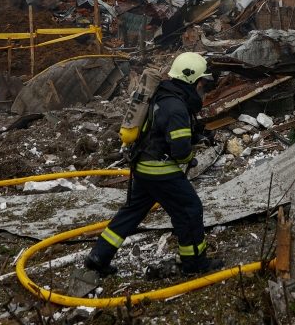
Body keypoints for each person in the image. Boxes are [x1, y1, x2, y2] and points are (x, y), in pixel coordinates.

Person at [85, 52, 223, 277]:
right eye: (203, 84)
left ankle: (99, 256)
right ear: (193, 80)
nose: (203, 90)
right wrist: (190, 157)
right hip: (161, 171)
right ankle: (194, 264)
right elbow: (179, 151)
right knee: (190, 210)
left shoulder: (163, 95)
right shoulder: (176, 107)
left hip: (143, 167)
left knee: (132, 212)